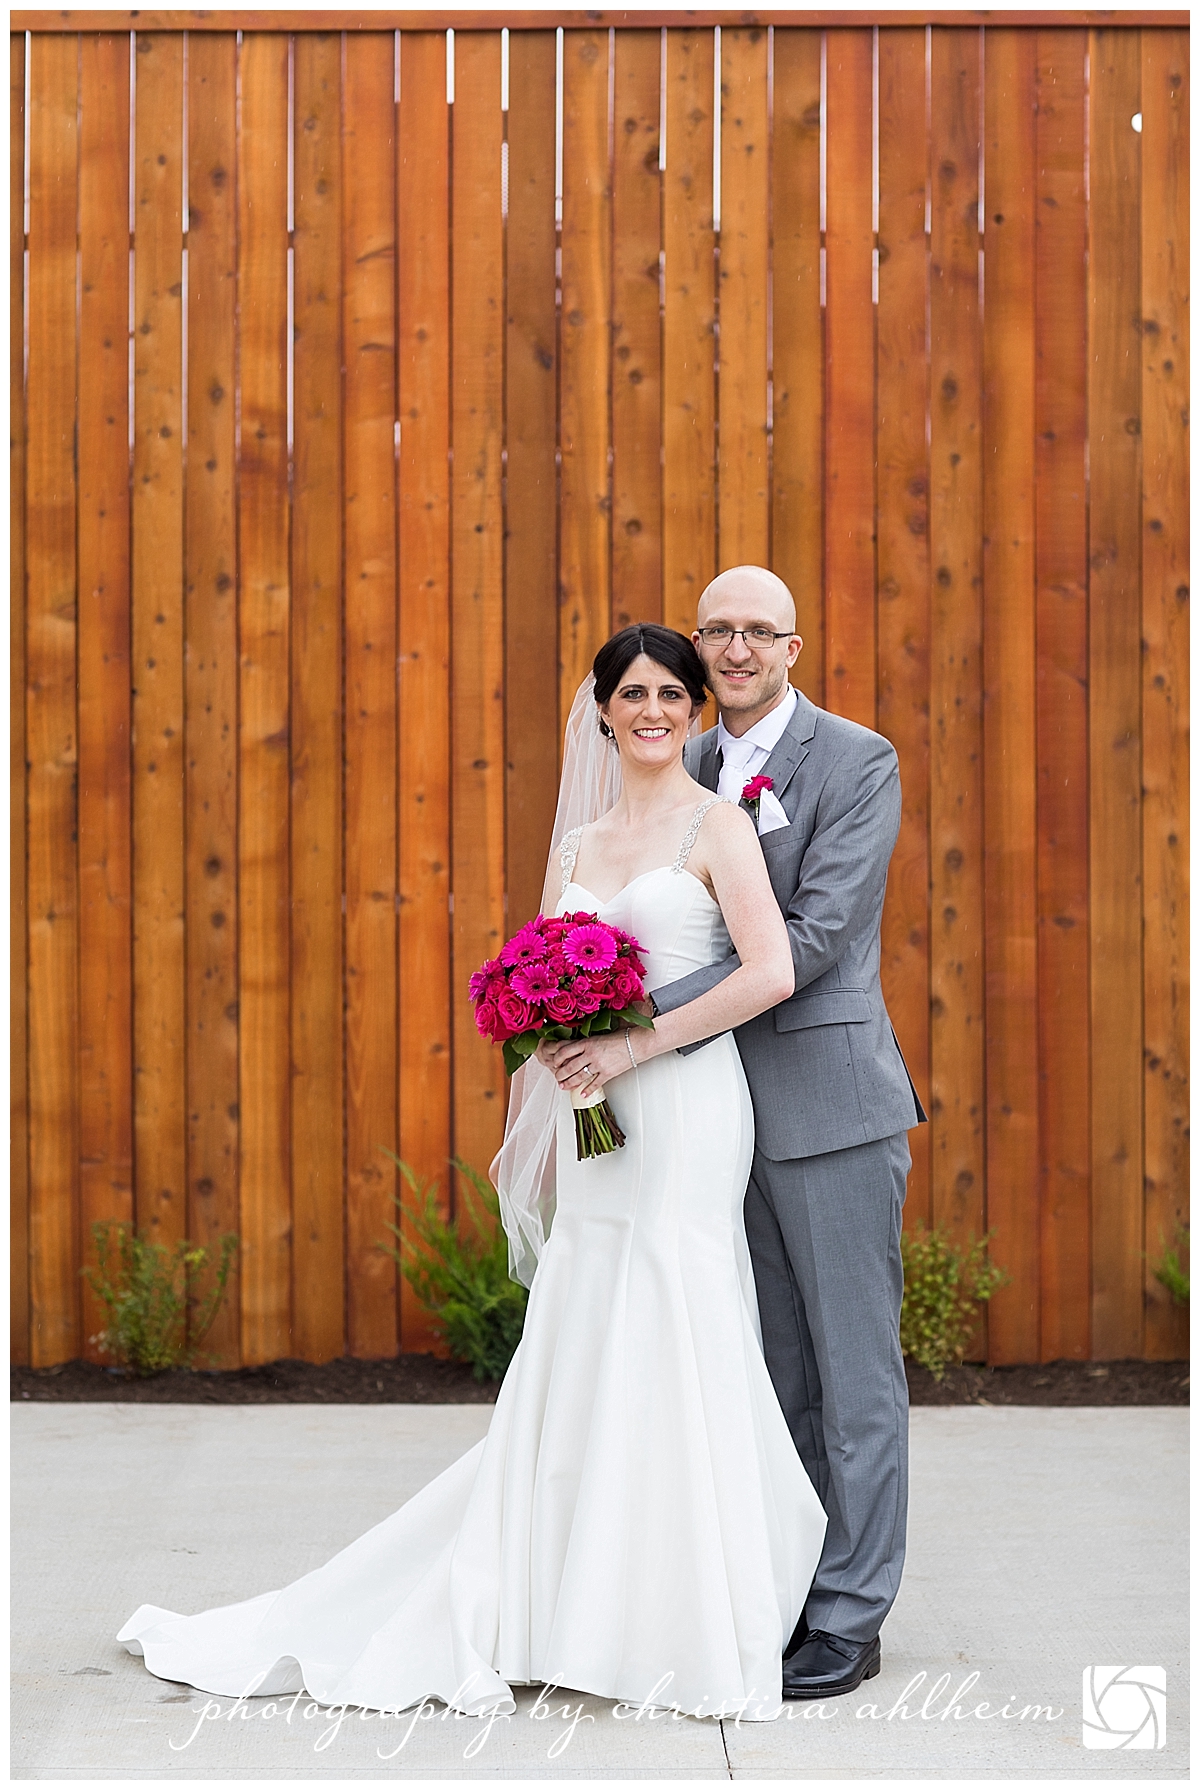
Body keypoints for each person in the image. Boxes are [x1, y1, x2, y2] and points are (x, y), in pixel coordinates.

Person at [116, 622, 829, 1722]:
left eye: (672, 696)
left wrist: (638, 1043)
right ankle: (556, 1599)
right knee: (591, 1308)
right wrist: (554, 1037)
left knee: (673, 1303)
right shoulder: (579, 846)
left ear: (694, 713)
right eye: (631, 693)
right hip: (598, 1107)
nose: (652, 711)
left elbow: (771, 970)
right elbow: (548, 966)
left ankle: (675, 1605)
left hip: (684, 1102)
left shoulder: (717, 823)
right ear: (600, 710)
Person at [561, 565, 927, 1701]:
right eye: (715, 628)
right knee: (765, 1372)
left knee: (852, 1369)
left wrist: (633, 1026)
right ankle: (779, 1583)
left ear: (794, 645)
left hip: (823, 1104)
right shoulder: (684, 759)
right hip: (707, 1120)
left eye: (756, 631)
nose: (732, 648)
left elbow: (810, 937)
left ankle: (852, 1612)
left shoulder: (856, 759)